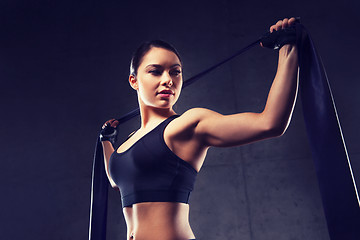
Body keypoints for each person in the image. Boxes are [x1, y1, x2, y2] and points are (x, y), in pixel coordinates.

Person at [100, 17, 299, 240]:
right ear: (134, 81)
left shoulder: (187, 125)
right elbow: (116, 181)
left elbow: (270, 123)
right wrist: (107, 141)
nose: (168, 80)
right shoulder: (130, 140)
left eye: (175, 72)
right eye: (155, 71)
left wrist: (287, 47)